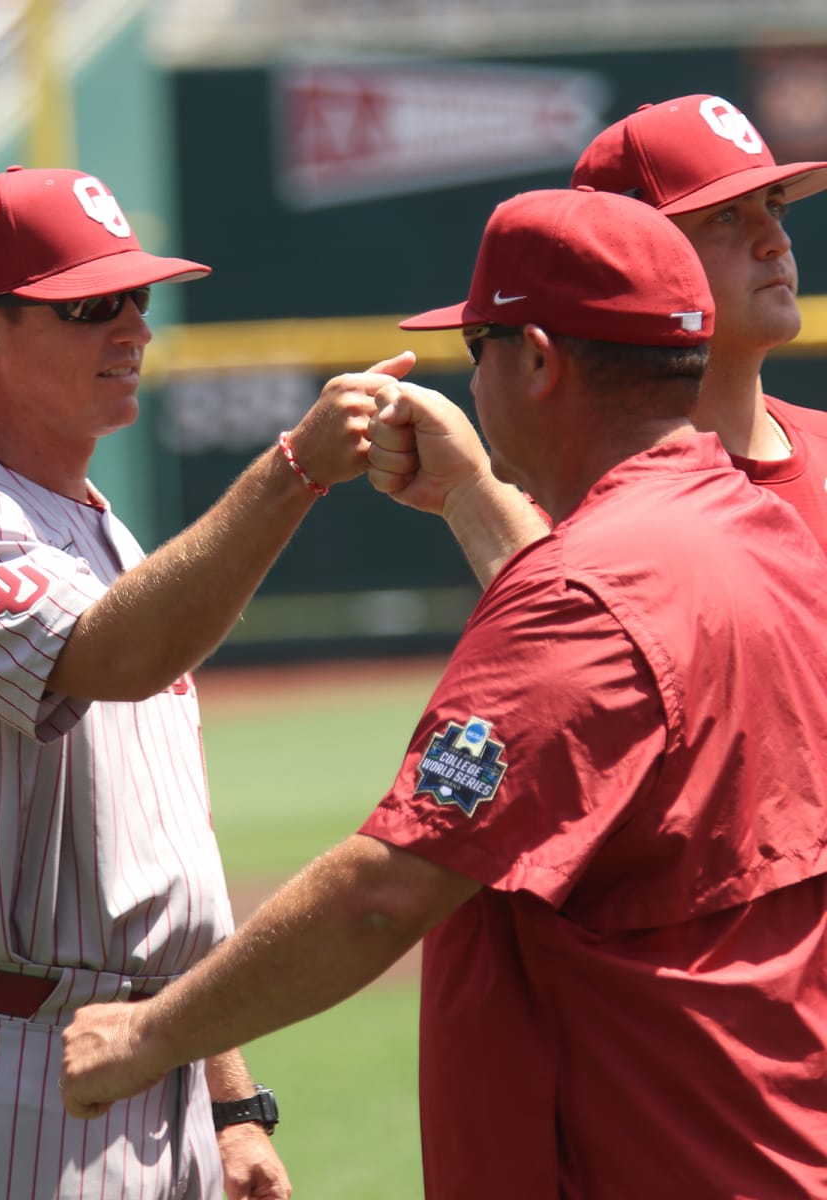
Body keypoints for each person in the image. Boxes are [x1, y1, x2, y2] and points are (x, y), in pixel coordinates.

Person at [59, 187, 827, 1199]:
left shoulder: (582, 595)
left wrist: (148, 1035)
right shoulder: (763, 532)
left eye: (481, 345)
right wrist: (474, 498)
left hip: (653, 1153)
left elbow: (384, 895)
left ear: (541, 360)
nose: (477, 375)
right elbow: (625, 655)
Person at [0, 164, 414, 1200]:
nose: (134, 328)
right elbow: (121, 657)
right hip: (15, 1072)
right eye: (91, 306)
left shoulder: (106, 533)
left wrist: (233, 1104)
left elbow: (169, 861)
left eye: (139, 299)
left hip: (164, 1057)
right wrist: (296, 470)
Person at [572, 92, 827, 549]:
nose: (776, 241)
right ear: (631, 257)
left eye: (774, 206)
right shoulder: (586, 505)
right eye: (725, 216)